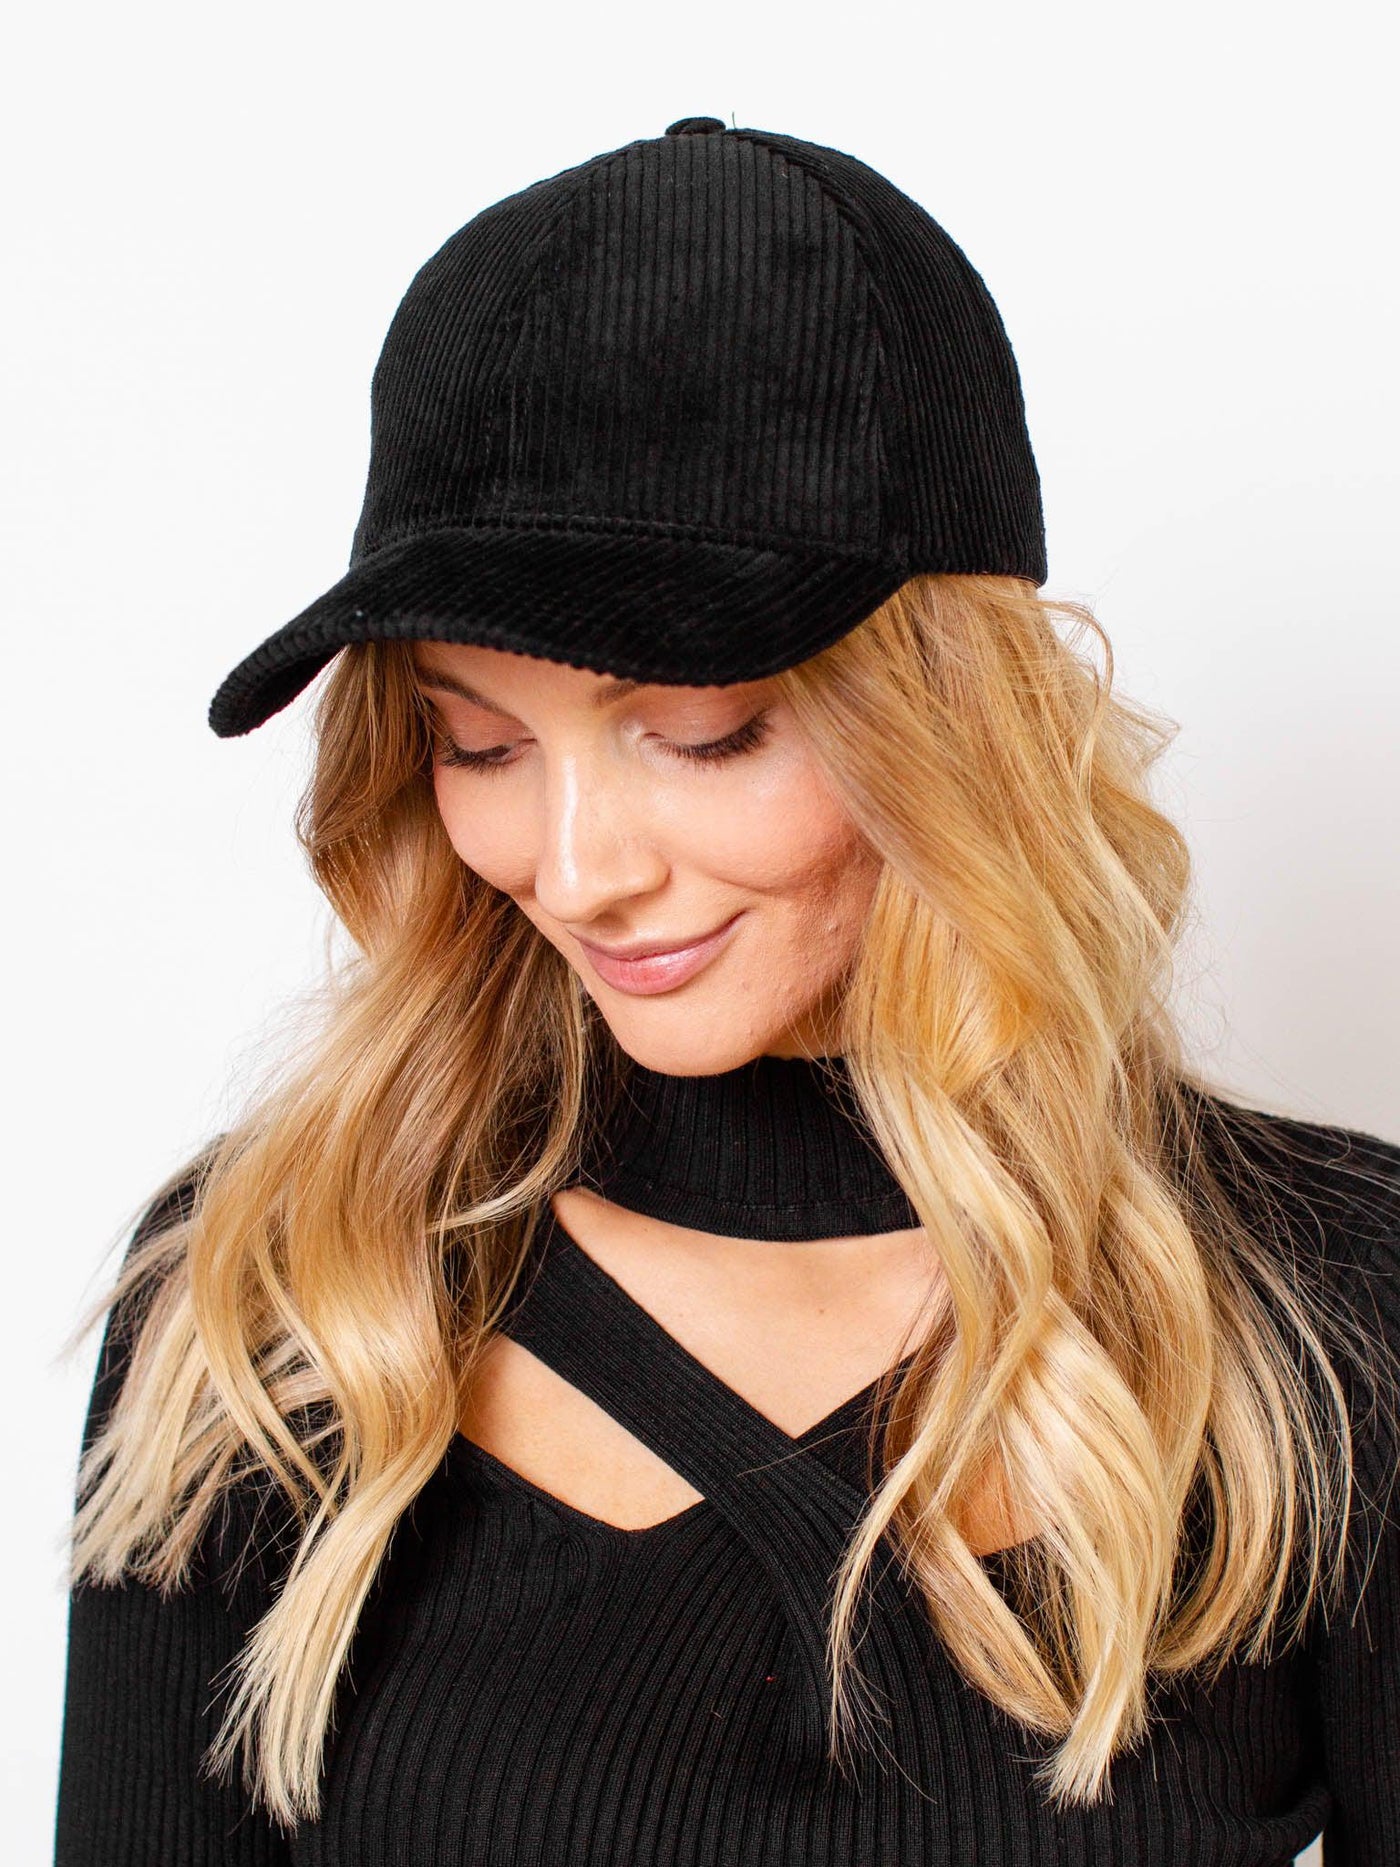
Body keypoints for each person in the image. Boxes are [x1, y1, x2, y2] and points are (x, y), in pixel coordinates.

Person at [53, 116, 1400, 1865]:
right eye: (479, 744)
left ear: (947, 724)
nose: (575, 867)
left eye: (698, 737)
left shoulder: (1326, 1312)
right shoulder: (285, 1290)